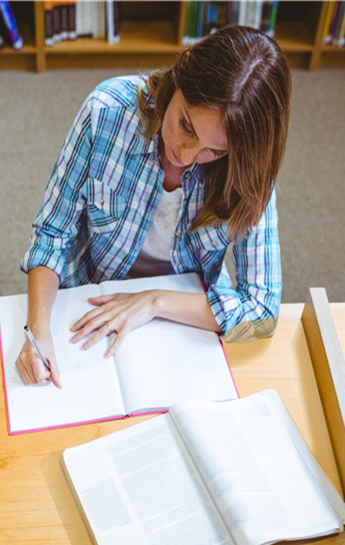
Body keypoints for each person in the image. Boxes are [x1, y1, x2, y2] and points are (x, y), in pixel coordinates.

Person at [16, 25, 292, 388]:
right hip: (89, 299)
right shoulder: (107, 113)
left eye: (215, 151)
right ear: (183, 69)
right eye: (186, 125)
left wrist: (153, 302)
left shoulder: (247, 170)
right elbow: (53, 233)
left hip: (184, 319)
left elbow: (261, 310)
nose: (188, 155)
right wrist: (37, 332)